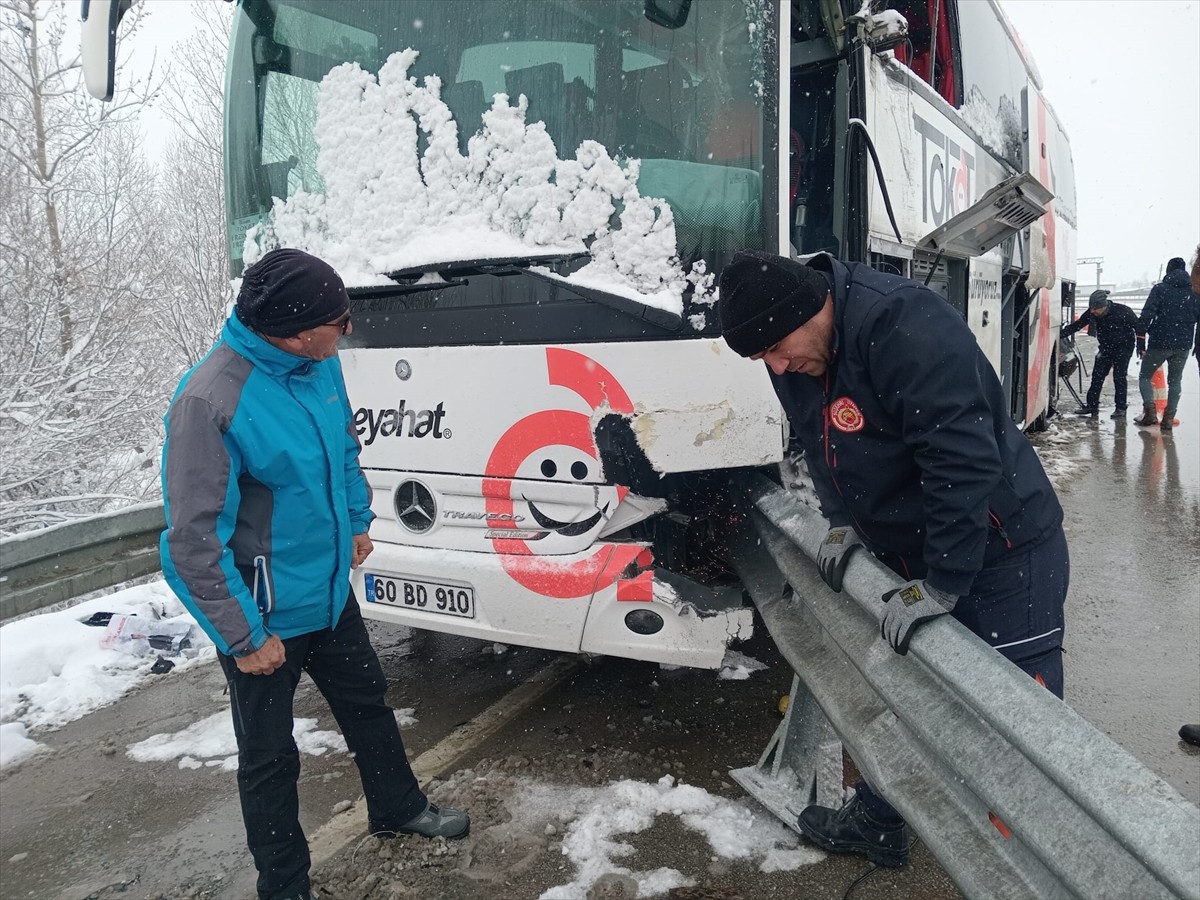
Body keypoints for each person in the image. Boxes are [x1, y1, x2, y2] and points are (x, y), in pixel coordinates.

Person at [717, 250, 1069, 868]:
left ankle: (1027, 871)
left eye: (775, 348)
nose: (775, 366)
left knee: (1016, 722)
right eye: (761, 359)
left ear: (809, 309)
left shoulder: (905, 324)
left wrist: (946, 580)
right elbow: (819, 438)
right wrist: (843, 521)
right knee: (912, 694)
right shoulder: (795, 348)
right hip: (916, 550)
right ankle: (882, 822)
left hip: (1004, 551)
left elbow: (960, 459)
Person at [160, 249, 468, 900]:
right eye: (339, 320)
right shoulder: (209, 400)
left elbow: (345, 450)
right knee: (270, 760)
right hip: (264, 614)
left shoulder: (318, 367)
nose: (348, 329)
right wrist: (244, 636)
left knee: (369, 706)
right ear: (298, 331)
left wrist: (357, 521)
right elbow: (192, 542)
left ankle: (398, 808)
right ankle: (285, 886)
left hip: (329, 595)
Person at [1133, 256, 1199, 431]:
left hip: (1159, 342)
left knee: (1145, 376)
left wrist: (1140, 341)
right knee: (1175, 381)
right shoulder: (1194, 291)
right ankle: (1168, 419)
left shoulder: (1160, 289)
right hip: (1183, 344)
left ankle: (1150, 413)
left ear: (1168, 270)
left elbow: (1146, 315)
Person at [1060, 289, 1139, 418]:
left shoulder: (1123, 311)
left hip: (1123, 348)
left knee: (1119, 377)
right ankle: (1092, 406)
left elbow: (1138, 327)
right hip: (1105, 348)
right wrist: (1061, 334)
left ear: (1105, 306)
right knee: (1097, 376)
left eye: (1096, 309)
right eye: (1091, 308)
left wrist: (1140, 346)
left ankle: (1121, 408)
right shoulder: (1092, 313)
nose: (1093, 311)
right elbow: (1078, 325)